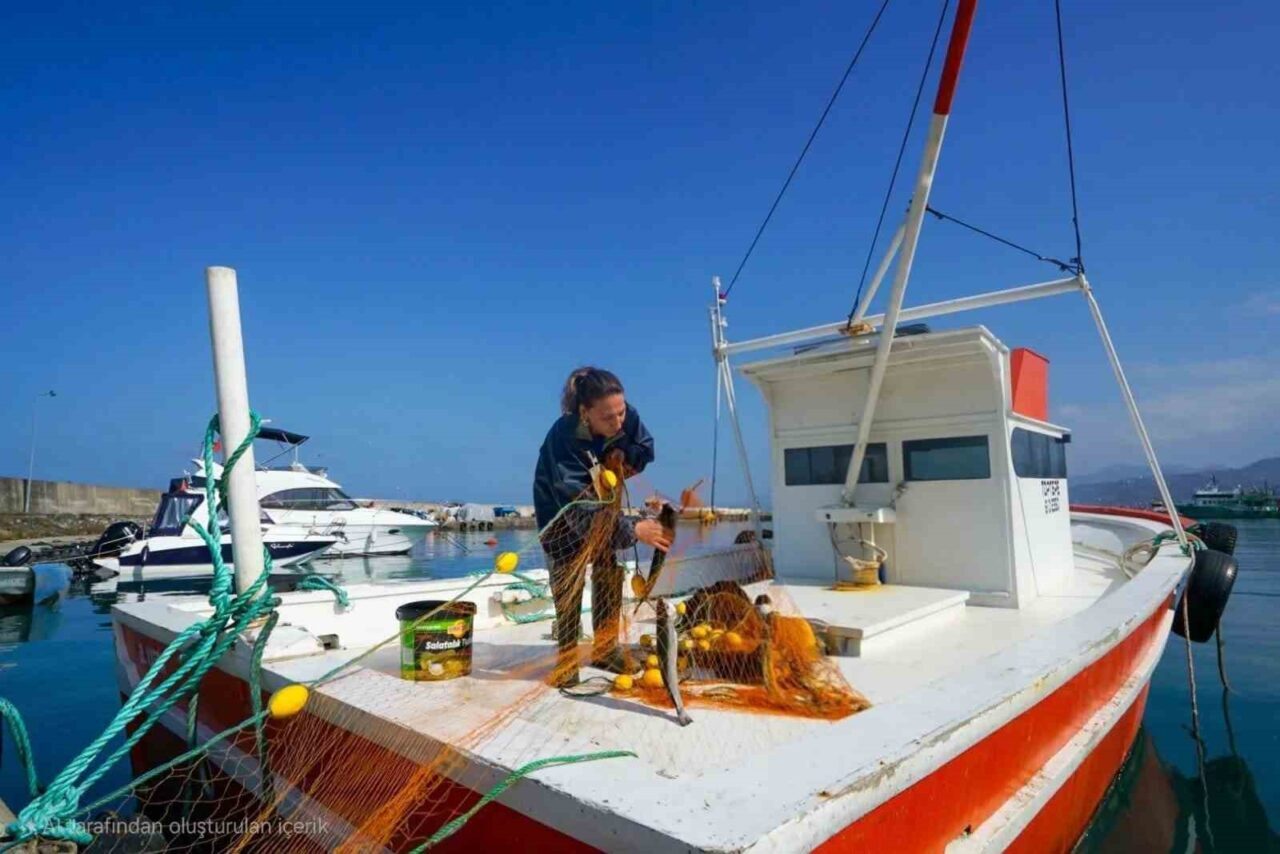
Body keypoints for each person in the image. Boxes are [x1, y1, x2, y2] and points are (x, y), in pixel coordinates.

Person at [533, 366, 672, 686]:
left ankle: (605, 649)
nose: (618, 422)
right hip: (561, 513)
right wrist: (634, 530)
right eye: (608, 418)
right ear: (585, 412)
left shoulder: (622, 414)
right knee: (568, 578)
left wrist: (620, 454)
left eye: (621, 413)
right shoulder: (563, 441)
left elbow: (645, 448)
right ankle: (568, 657)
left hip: (603, 499)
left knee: (609, 570)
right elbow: (579, 513)